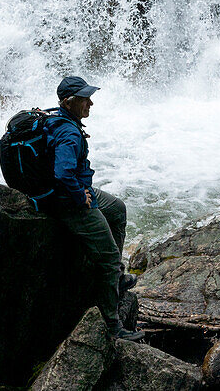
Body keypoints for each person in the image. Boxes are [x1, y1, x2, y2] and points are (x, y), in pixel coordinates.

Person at [45, 75, 145, 342]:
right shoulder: (68, 132)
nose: (90, 103)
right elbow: (63, 174)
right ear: (69, 102)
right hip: (67, 201)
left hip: (75, 189)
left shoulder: (60, 119)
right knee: (109, 257)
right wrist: (81, 196)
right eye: (85, 99)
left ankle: (118, 278)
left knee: (117, 209)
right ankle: (113, 326)